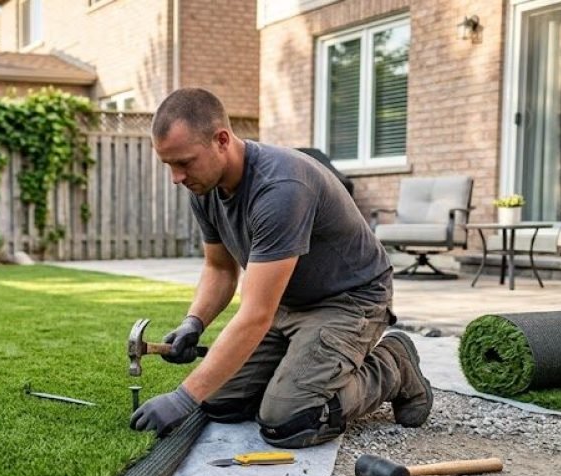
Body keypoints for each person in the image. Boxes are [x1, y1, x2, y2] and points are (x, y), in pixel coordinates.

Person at [128, 88, 432, 448]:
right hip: (288, 302)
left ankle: (394, 365)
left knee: (288, 420)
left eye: (184, 162)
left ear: (222, 140)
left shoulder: (280, 187)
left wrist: (182, 398)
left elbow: (256, 314)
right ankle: (298, 367)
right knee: (219, 402)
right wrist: (193, 323)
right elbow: (220, 269)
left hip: (349, 300)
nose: (176, 177)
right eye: (169, 165)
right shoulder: (204, 190)